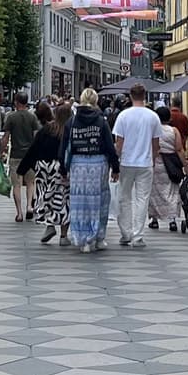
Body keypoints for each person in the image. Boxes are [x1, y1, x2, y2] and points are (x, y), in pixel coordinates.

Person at [64, 88, 119, 253]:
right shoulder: (101, 121)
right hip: (98, 164)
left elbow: (65, 146)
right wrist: (115, 167)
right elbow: (110, 146)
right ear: (95, 101)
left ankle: (82, 238)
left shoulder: (72, 122)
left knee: (80, 202)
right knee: (99, 201)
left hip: (77, 164)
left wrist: (63, 167)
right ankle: (98, 236)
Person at [112, 83, 161, 248]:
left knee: (124, 197)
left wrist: (115, 162)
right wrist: (152, 159)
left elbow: (119, 143)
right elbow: (156, 144)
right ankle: (138, 235)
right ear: (145, 95)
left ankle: (125, 233)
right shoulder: (153, 117)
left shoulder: (123, 116)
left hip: (126, 162)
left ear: (130, 96)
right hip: (145, 162)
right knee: (142, 199)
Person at [17, 102, 70, 245]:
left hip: (43, 169)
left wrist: (22, 169)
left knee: (46, 197)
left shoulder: (46, 129)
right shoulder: (69, 131)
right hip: (60, 169)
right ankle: (64, 236)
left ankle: (50, 226)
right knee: (63, 200)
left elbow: (33, 150)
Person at [2, 90, 41, 223]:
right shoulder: (33, 117)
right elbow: (37, 136)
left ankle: (19, 213)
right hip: (30, 156)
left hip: (16, 155)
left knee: (17, 185)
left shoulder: (11, 117)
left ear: (16, 102)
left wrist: (1, 152)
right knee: (31, 182)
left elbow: (6, 137)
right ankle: (29, 206)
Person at [151, 99, 188, 232]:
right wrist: (186, 166)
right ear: (169, 117)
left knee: (154, 192)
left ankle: (154, 219)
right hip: (170, 165)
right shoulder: (174, 131)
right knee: (172, 191)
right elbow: (179, 149)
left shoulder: (153, 130)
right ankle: (172, 220)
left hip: (156, 164)